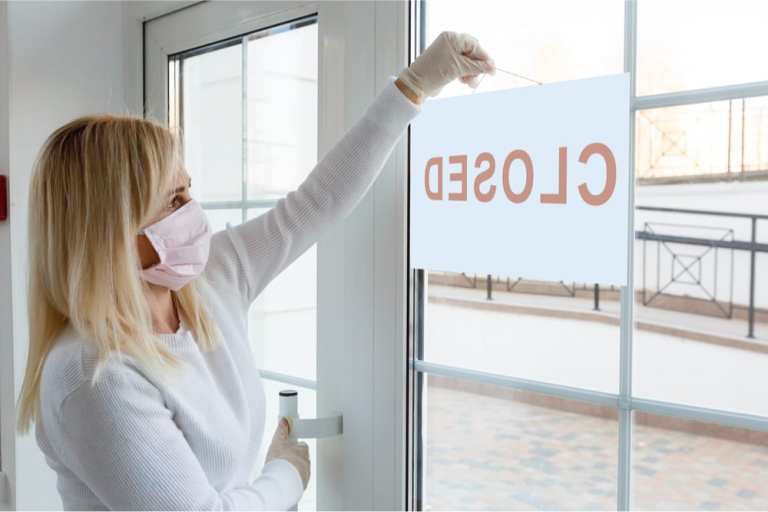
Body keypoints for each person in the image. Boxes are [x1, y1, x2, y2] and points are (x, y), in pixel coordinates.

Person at [16, 31, 495, 510]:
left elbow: (316, 204)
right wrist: (286, 473)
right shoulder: (92, 376)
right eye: (172, 200)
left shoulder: (207, 282)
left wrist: (413, 86)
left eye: (189, 190)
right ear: (109, 230)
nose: (193, 212)